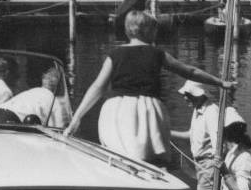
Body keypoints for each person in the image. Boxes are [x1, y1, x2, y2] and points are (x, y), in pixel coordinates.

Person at [63, 10, 234, 165]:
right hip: (148, 111)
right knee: (151, 159)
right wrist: (219, 82)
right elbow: (190, 71)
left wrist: (76, 119)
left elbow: (97, 88)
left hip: (117, 111)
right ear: (148, 31)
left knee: (119, 156)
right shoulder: (157, 54)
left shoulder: (114, 55)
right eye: (155, 29)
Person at [170, 80, 220, 190]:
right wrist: (166, 132)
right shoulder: (197, 111)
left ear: (197, 94)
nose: (185, 97)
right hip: (200, 165)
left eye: (188, 94)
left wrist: (215, 168)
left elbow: (217, 143)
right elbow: (191, 135)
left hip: (208, 165)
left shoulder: (211, 111)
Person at [5, 67, 72, 127]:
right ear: (58, 85)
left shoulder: (30, 92)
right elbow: (58, 127)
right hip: (12, 122)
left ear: (43, 80)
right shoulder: (53, 100)